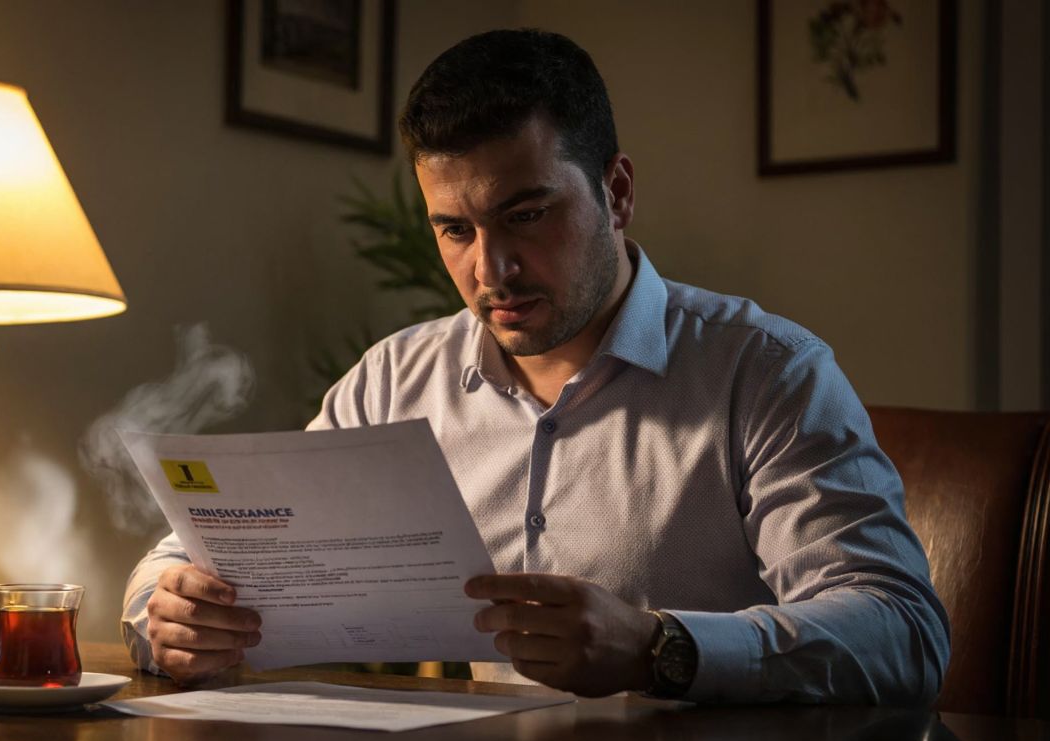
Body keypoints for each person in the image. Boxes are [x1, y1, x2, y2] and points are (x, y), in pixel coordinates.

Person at [121, 28, 950, 703]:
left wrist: (660, 647)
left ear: (616, 193)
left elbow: (903, 631)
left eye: (526, 216)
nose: (492, 269)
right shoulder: (393, 381)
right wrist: (164, 613)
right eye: (455, 230)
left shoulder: (767, 374)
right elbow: (205, 552)